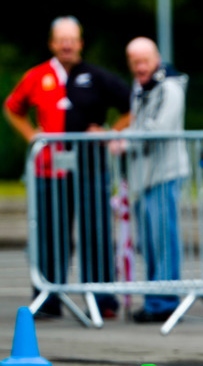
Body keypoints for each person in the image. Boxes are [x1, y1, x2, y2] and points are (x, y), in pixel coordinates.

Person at [4, 16, 130, 318]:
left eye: (72, 39)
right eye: (61, 39)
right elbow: (13, 108)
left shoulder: (97, 76)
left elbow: (131, 105)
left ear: (81, 43)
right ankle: (48, 299)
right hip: (49, 171)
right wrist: (32, 137)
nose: (67, 44)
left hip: (90, 169)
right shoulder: (37, 76)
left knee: (96, 232)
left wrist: (111, 131)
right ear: (52, 43)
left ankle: (102, 301)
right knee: (50, 234)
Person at [123, 37, 190, 323]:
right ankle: (154, 299)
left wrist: (125, 140)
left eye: (145, 61)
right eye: (135, 62)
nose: (140, 67)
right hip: (145, 178)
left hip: (164, 174)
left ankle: (164, 302)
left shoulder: (170, 88)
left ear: (156, 58)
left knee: (163, 240)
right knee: (149, 242)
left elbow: (159, 128)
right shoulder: (142, 89)